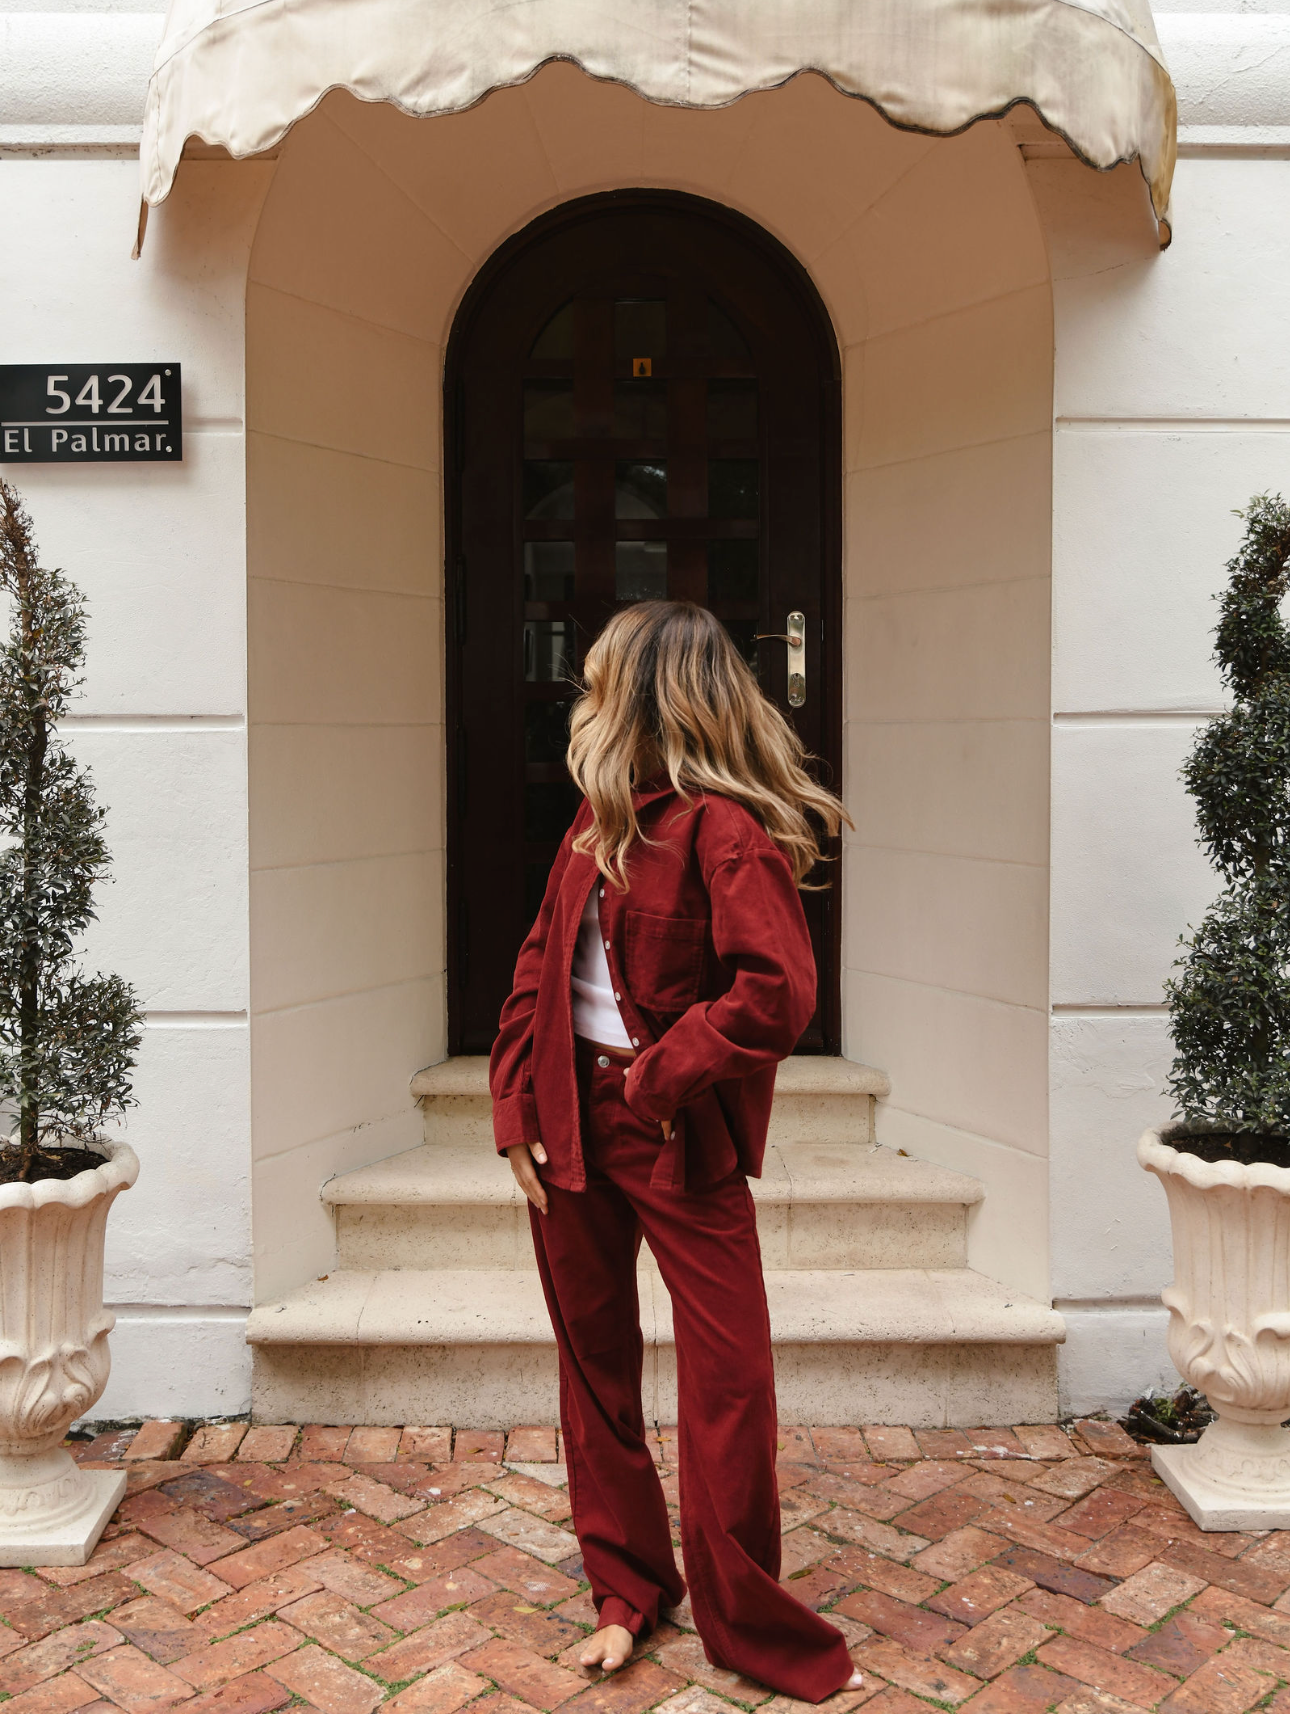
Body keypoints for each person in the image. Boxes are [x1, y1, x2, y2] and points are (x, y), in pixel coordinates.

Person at [489, 600, 859, 1702]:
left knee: (728, 1379)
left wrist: (655, 1080)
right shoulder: (592, 820)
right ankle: (626, 1589)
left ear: (646, 695)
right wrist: (518, 1109)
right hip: (569, 1133)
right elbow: (535, 968)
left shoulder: (721, 831)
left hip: (671, 1135)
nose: (581, 693)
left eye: (598, 677)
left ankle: (748, 1619)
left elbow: (776, 995)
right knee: (593, 1367)